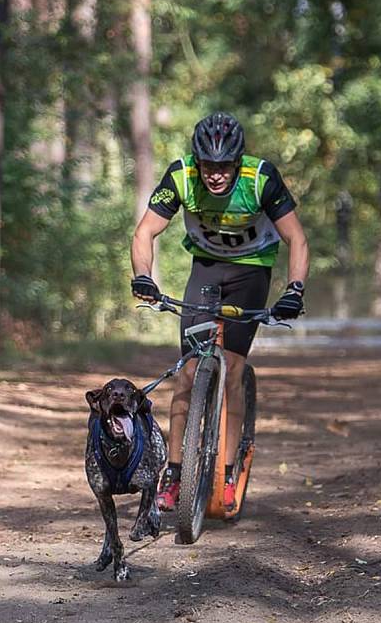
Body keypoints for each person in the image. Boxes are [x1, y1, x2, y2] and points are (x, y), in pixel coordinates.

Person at [130, 111, 310, 513]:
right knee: (189, 371)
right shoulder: (181, 177)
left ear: (237, 161)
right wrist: (143, 276)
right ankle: (174, 474)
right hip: (206, 268)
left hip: (252, 273)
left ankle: (227, 472)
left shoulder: (261, 178)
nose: (214, 175)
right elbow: (145, 232)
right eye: (208, 166)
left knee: (233, 368)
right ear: (198, 162)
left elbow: (296, 238)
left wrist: (294, 289)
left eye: (223, 166)